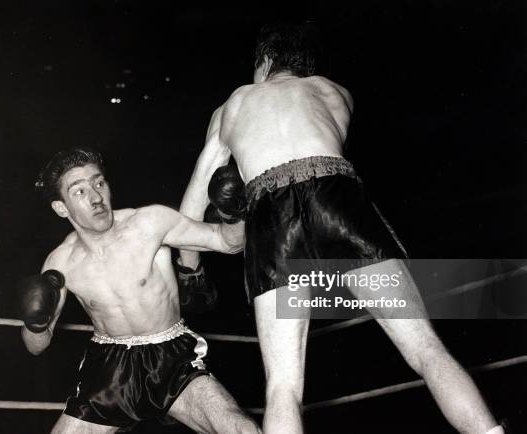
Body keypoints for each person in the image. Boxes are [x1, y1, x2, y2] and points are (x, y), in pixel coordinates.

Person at [178, 23, 504, 434]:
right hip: (337, 197)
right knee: (426, 350)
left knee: (282, 388)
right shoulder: (334, 93)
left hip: (272, 216)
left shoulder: (235, 104)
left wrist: (191, 270)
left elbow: (194, 200)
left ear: (263, 63)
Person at [19, 147, 261, 434]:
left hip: (170, 359)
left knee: (241, 429)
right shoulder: (60, 263)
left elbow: (227, 241)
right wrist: (35, 321)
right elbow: (36, 346)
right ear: (61, 207)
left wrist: (234, 213)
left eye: (98, 183)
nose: (96, 197)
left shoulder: (150, 223)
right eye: (80, 192)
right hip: (110, 369)